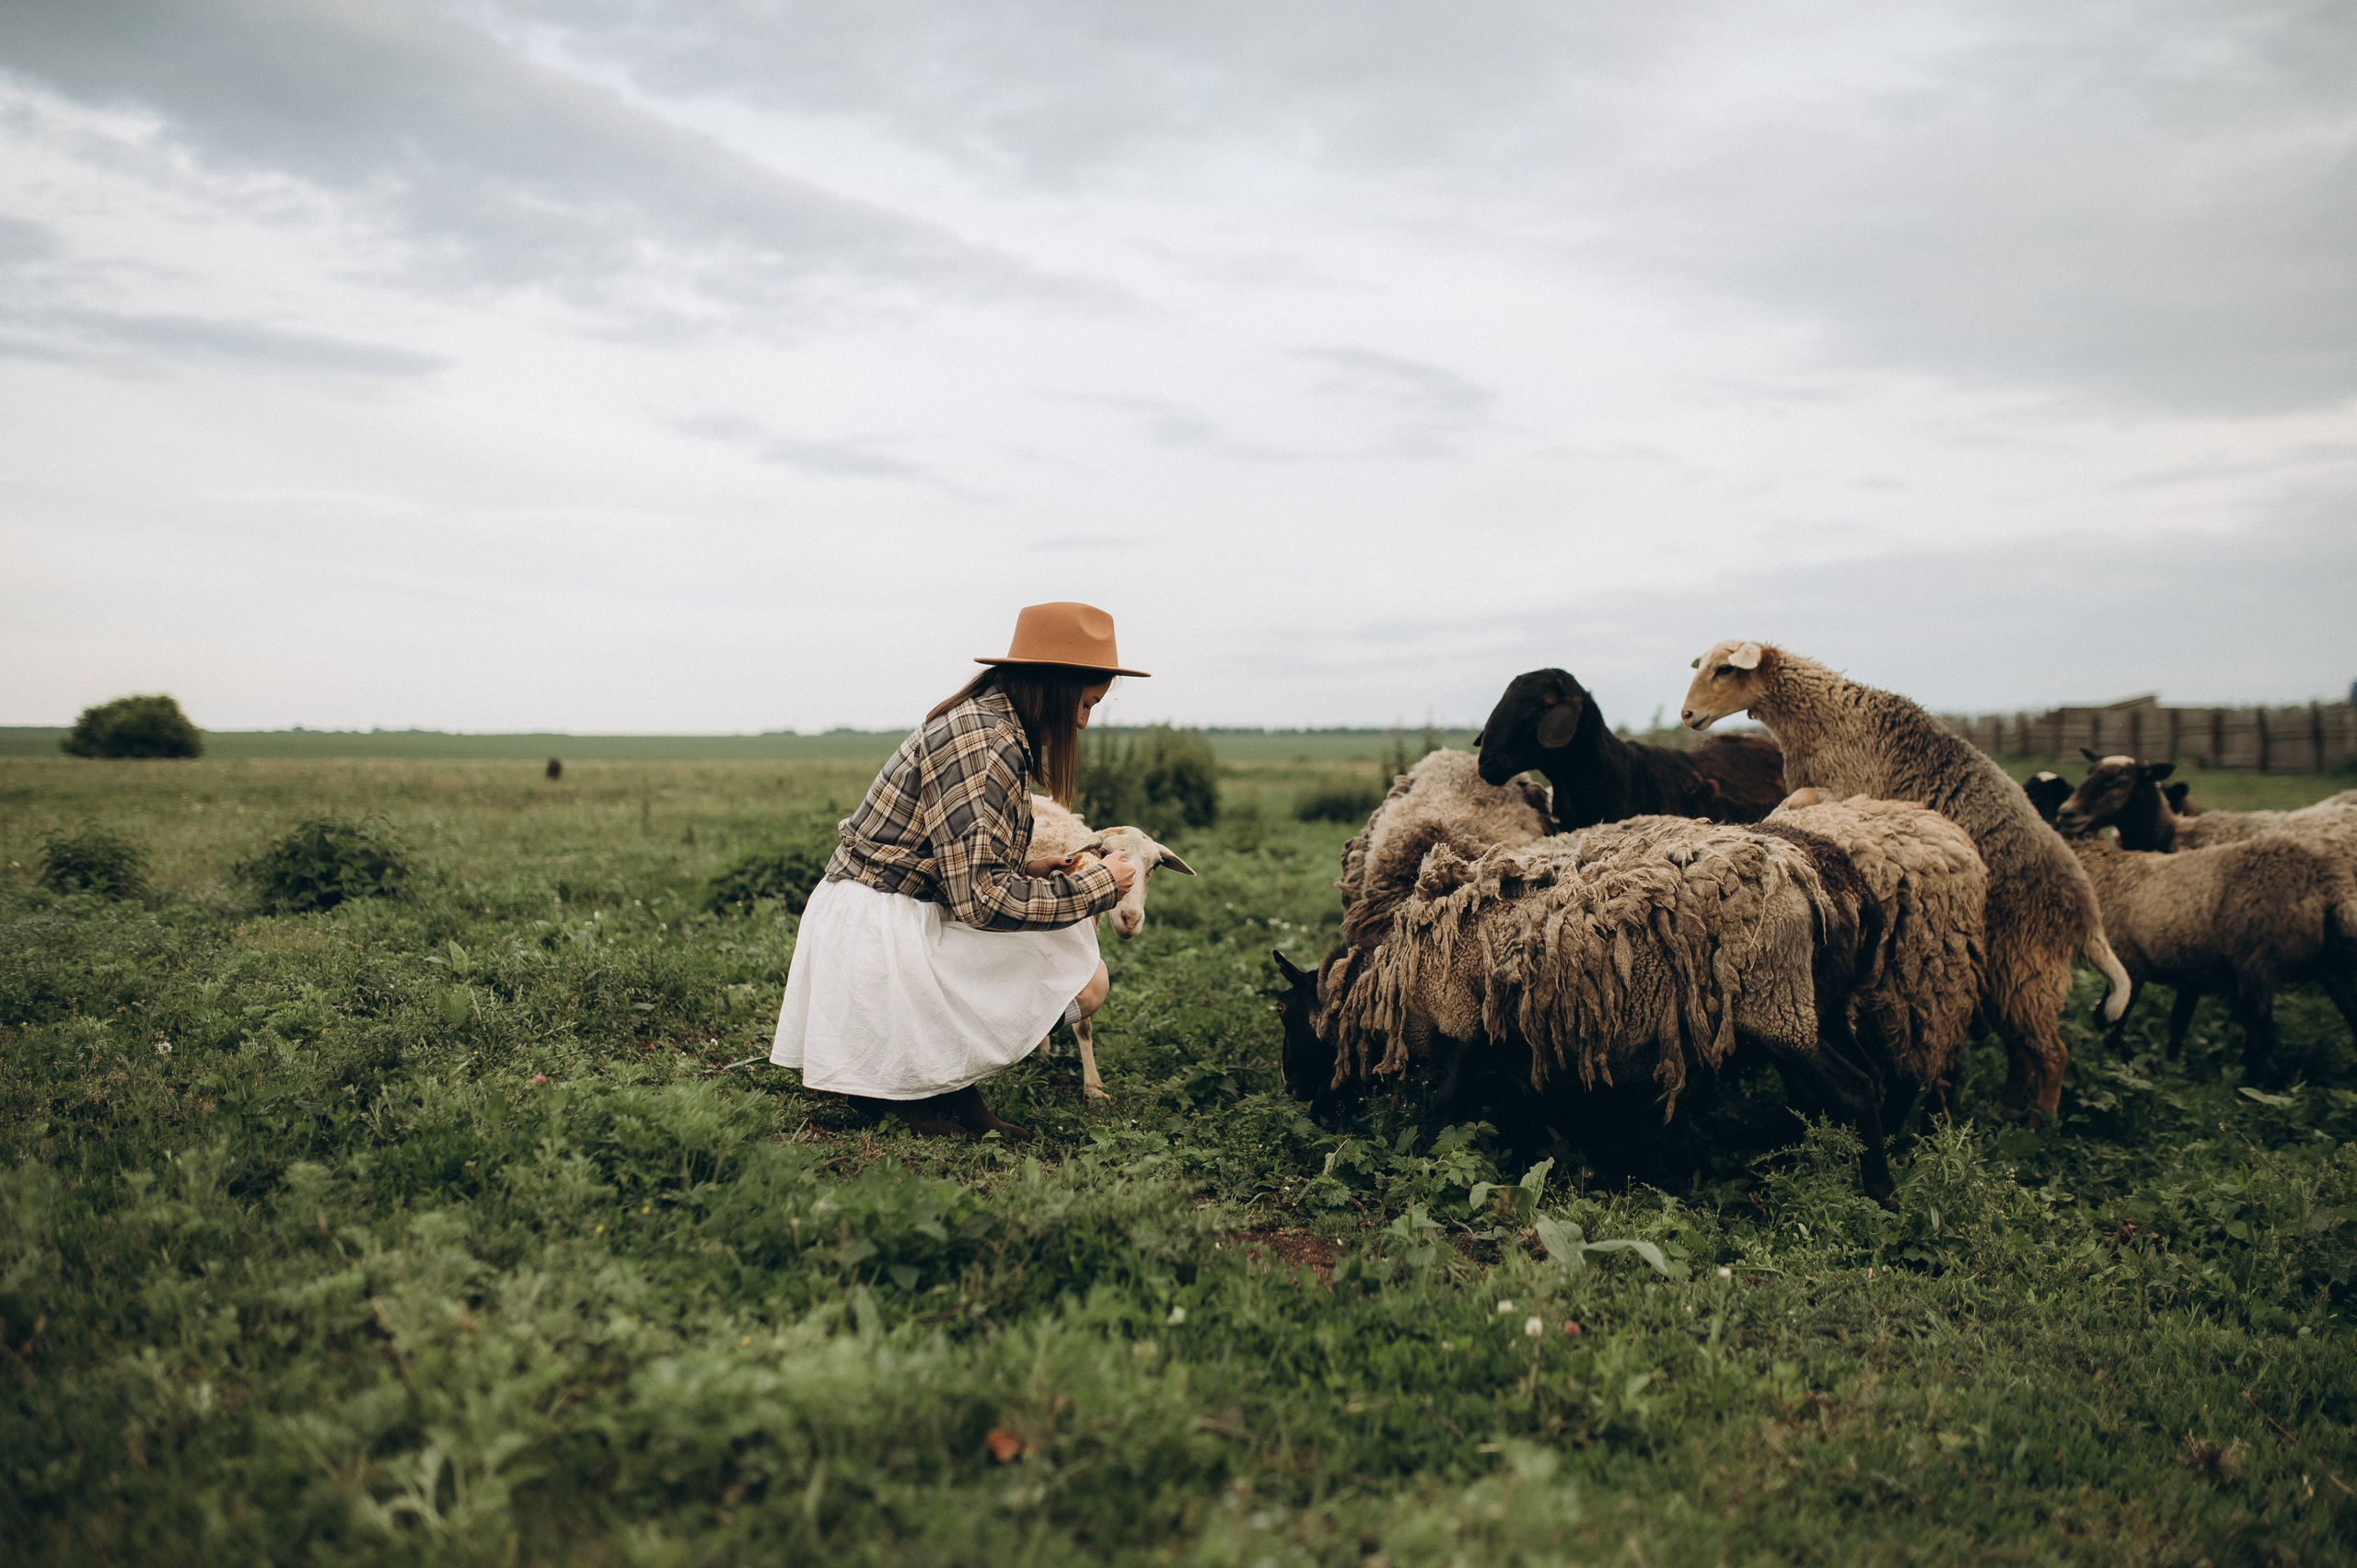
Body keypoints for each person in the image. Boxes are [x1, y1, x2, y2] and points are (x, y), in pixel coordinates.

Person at [770, 602, 1146, 1140]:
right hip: (878, 926)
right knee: (1077, 964)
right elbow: (981, 902)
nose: (1084, 722)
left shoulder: (990, 728)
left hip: (896, 909)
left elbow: (955, 857)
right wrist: (1099, 883)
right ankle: (901, 1092)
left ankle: (944, 1085)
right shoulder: (986, 743)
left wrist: (1029, 867)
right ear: (1056, 687)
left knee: (1070, 956)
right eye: (1086, 704)